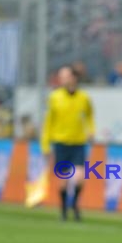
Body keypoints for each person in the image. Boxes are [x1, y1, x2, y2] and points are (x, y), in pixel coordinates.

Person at [41, 65, 95, 221]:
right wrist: (45, 144)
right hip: (61, 143)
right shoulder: (54, 97)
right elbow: (48, 122)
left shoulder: (84, 98)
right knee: (63, 182)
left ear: (73, 78)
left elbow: (90, 116)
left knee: (79, 178)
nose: (62, 79)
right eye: (61, 76)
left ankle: (75, 205)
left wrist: (91, 130)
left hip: (78, 143)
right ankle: (64, 209)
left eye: (65, 76)